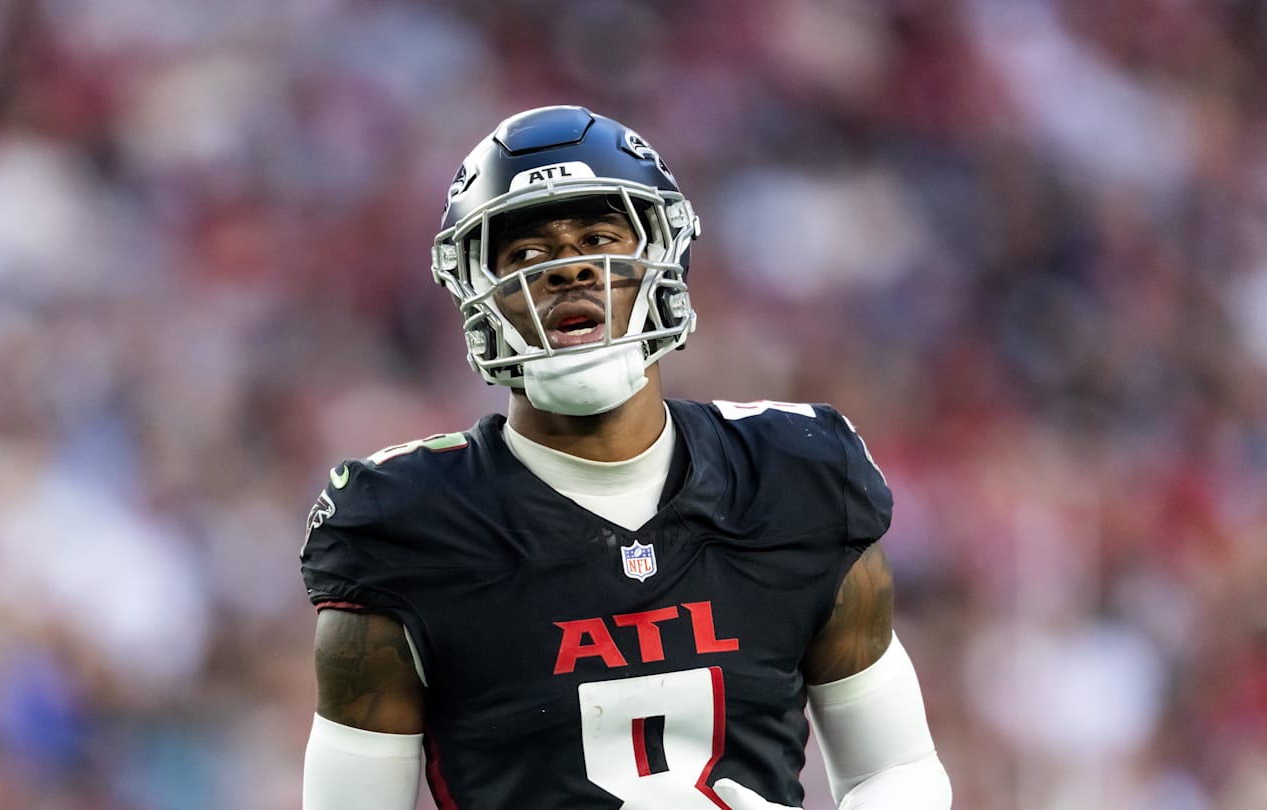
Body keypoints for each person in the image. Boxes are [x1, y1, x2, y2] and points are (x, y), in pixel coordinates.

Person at [298, 105, 952, 810]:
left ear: (660, 259)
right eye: (525, 255)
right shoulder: (407, 524)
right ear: (476, 296)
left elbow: (898, 769)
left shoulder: (792, 475)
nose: (569, 269)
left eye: (599, 237)